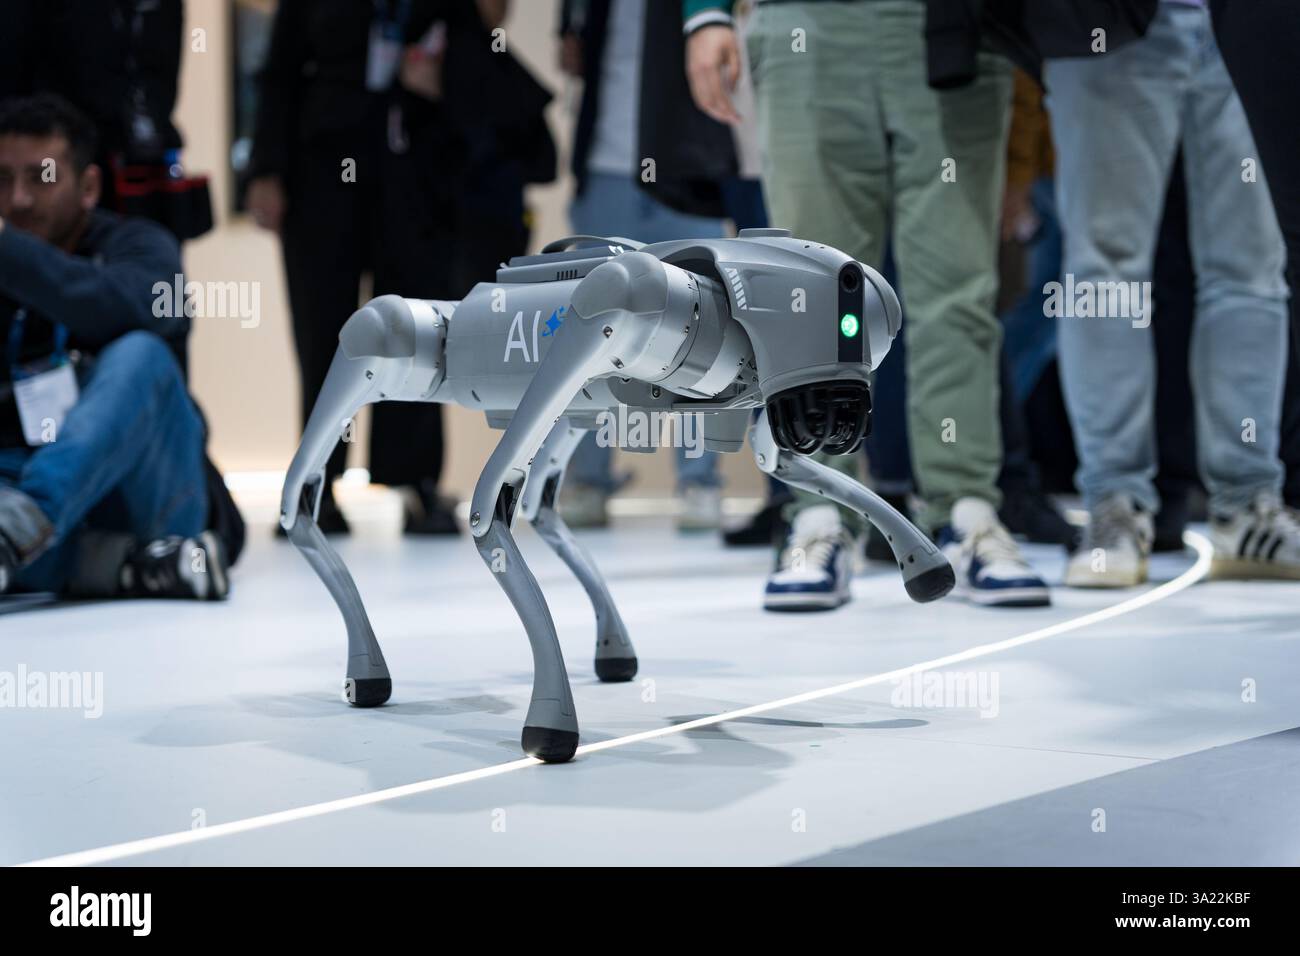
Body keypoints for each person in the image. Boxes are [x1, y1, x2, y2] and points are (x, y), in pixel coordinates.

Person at [685, 0, 1051, 610]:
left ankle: (967, 508)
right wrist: (705, 14)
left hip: (947, 25)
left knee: (958, 291)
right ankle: (820, 514)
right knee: (806, 296)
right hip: (807, 21)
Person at [247, 0, 533, 537]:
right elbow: (279, 72)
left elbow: (487, 34)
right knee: (322, 329)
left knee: (421, 324)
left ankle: (416, 480)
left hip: (420, 171)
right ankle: (316, 481)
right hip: (323, 169)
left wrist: (441, 78)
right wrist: (266, 169)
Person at [1045, 0, 1300, 586]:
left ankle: (1249, 505)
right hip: (1108, 18)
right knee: (1103, 270)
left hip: (1247, 17)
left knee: (1254, 266)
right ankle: (1112, 507)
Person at [0, 94, 227, 599]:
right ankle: (129, 565)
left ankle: (18, 534)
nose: (17, 200)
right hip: (28, 483)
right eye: (2, 180)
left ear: (88, 187)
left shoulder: (142, 245)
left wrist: (7, 251)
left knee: (142, 355)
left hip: (148, 492)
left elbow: (121, 307)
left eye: (40, 178)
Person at [558, 0, 730, 532]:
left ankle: (699, 482)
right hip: (605, 170)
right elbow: (572, 57)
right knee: (589, 335)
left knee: (703, 332)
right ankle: (587, 479)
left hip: (686, 173)